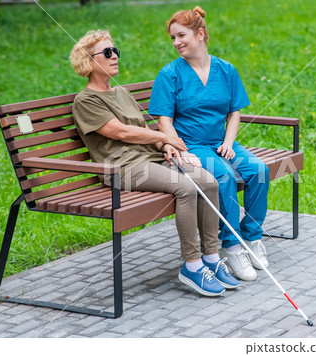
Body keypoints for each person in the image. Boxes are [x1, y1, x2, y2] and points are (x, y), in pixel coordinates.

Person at [69, 29, 240, 296]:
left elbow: (143, 127)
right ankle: (192, 266)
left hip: (150, 159)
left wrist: (166, 145)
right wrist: (164, 136)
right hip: (122, 168)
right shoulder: (86, 100)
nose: (114, 56)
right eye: (107, 52)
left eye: (115, 51)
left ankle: (211, 258)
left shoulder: (121, 92)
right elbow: (121, 132)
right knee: (186, 187)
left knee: (208, 181)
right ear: (88, 61)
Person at [149, 7, 270, 281]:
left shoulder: (226, 70)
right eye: (172, 38)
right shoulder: (170, 74)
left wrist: (229, 141)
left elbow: (235, 112)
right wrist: (180, 149)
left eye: (181, 35)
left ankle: (251, 238)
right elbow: (163, 121)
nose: (176, 42)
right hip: (192, 147)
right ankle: (231, 245)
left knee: (259, 171)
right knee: (223, 176)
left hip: (220, 143)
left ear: (200, 33)